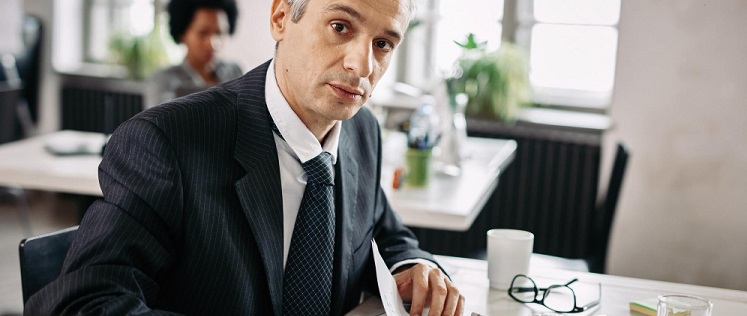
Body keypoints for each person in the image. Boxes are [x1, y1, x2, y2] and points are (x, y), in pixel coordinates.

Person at [26, 0, 465, 314]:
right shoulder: (165, 141)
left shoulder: (362, 132)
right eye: (340, 27)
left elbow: (384, 234)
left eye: (384, 44)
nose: (362, 65)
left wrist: (415, 266)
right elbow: (86, 301)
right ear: (279, 17)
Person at [147, 0, 244, 107]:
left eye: (219, 33)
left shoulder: (235, 72)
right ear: (182, 34)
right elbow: (160, 121)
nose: (213, 44)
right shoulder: (165, 80)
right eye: (203, 33)